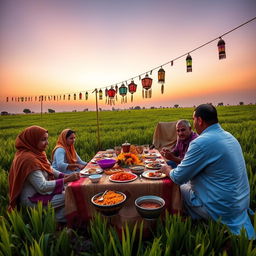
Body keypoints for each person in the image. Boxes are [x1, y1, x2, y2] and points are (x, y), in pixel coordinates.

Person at [162, 104, 255, 239]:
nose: (194, 124)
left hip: (221, 209)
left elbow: (178, 177)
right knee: (188, 181)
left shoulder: (201, 142)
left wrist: (166, 169)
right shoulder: (229, 137)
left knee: (178, 186)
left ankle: (182, 221)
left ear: (199, 120)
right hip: (239, 204)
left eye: (193, 120)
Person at [8, 126, 80, 223]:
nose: (47, 143)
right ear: (32, 140)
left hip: (42, 193)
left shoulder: (38, 153)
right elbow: (42, 186)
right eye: (43, 140)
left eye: (47, 139)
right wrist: (66, 180)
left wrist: (64, 176)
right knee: (71, 195)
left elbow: (49, 169)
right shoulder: (28, 160)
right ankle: (53, 221)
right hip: (33, 198)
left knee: (69, 189)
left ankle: (55, 218)